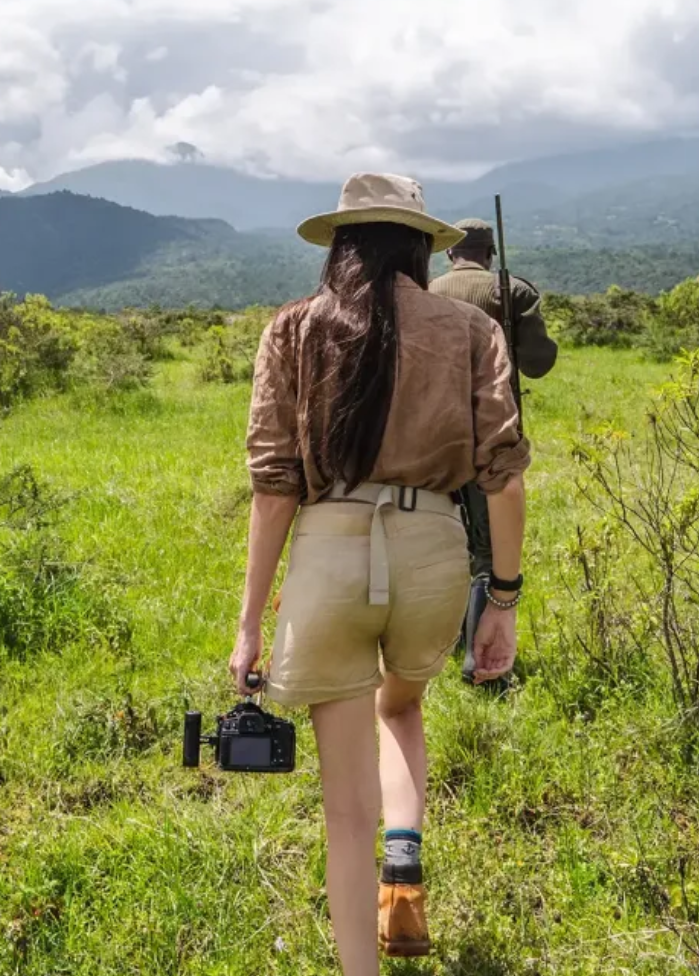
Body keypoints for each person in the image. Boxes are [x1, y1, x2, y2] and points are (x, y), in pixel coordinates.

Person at [229, 174, 529, 974]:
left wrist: (252, 622)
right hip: (433, 554)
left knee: (341, 813)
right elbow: (503, 474)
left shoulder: (292, 330)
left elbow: (272, 487)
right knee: (401, 708)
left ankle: (362, 959)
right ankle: (406, 868)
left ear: (341, 244)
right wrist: (501, 600)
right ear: (418, 247)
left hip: (328, 557)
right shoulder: (470, 329)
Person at [430, 217, 557, 681]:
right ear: (491, 254)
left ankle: (438, 646)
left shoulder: (427, 291)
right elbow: (540, 362)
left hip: (432, 436)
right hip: (493, 436)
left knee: (446, 539)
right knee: (488, 551)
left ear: (449, 254)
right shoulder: (513, 292)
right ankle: (478, 663)